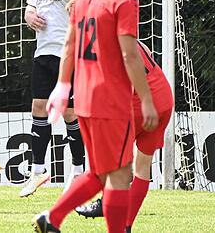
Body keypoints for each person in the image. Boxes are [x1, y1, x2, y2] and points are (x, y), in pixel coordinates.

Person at [33, 0, 158, 233]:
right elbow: (130, 56)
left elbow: (69, 43)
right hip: (110, 97)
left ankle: (53, 218)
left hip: (84, 97)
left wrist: (63, 89)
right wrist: (146, 98)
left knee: (106, 171)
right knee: (116, 173)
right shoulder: (124, 0)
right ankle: (57, 217)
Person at [74, 40, 174, 232]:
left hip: (138, 104)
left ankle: (107, 203)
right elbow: (146, 50)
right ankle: (126, 226)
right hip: (162, 97)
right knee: (142, 167)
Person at [20, 0, 89, 197]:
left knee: (71, 112)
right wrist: (29, 16)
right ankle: (38, 171)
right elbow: (30, 7)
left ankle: (78, 169)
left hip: (69, 52)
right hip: (43, 52)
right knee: (38, 106)